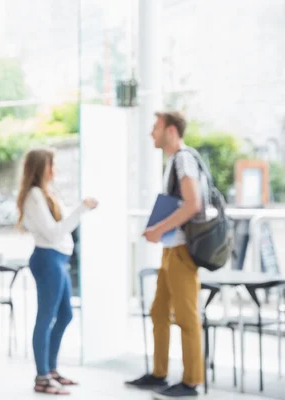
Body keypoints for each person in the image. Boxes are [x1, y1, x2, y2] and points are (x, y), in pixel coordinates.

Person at [126, 111, 208, 399]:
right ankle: (159, 374)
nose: (151, 133)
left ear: (171, 131)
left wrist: (158, 229)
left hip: (182, 251)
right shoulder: (174, 161)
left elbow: (193, 204)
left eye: (156, 128)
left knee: (187, 317)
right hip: (171, 251)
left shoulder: (184, 159)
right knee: (159, 311)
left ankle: (191, 382)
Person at [16, 148, 98, 395]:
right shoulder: (33, 196)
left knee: (65, 315)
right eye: (52, 165)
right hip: (47, 260)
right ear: (42, 168)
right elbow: (54, 232)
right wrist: (81, 209)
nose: (55, 170)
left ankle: (50, 370)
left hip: (58, 260)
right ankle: (42, 377)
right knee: (46, 317)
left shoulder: (46, 194)